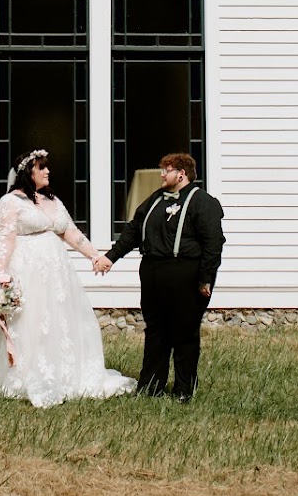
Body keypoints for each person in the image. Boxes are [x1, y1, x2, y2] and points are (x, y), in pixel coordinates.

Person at [0, 148, 137, 408]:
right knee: (34, 321)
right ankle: (26, 376)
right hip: (28, 271)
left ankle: (66, 373)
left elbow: (71, 232)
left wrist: (95, 256)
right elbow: (6, 241)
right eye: (41, 167)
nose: (48, 171)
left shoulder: (53, 201)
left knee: (60, 320)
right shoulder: (10, 203)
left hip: (58, 274)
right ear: (28, 172)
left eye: (47, 167)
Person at [94, 152, 224, 402]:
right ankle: (151, 385)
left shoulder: (203, 202)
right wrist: (111, 257)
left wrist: (206, 278)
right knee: (156, 330)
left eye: (167, 170)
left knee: (184, 333)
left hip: (185, 274)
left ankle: (184, 390)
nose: (162, 174)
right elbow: (133, 230)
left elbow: (213, 244)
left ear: (181, 174)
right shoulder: (155, 200)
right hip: (153, 273)